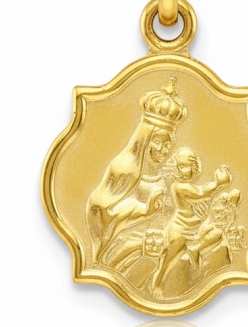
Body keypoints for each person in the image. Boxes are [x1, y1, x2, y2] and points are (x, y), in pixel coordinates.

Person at [86, 79, 187, 264]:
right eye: (157, 142)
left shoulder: (166, 178)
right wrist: (144, 211)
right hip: (123, 252)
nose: (162, 150)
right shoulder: (124, 169)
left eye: (167, 145)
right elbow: (100, 210)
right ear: (144, 140)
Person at [150, 147, 232, 297]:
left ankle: (195, 249)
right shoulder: (178, 186)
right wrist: (218, 183)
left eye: (186, 166)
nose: (182, 170)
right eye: (180, 166)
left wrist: (219, 185)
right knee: (168, 260)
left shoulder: (189, 185)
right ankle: (158, 283)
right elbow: (200, 193)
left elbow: (202, 190)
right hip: (180, 229)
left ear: (194, 168)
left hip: (195, 228)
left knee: (217, 234)